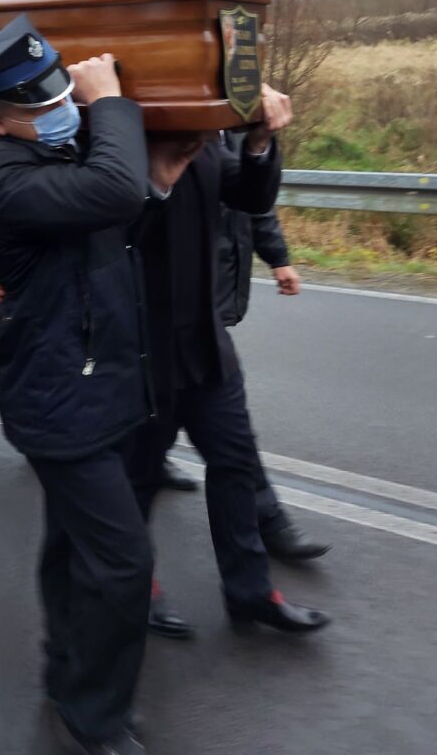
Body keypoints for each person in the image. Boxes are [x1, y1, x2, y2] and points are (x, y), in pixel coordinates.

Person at [0, 14, 153, 755]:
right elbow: (112, 190)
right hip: (57, 399)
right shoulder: (2, 177)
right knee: (123, 562)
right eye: (41, 105)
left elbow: (121, 195)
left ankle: (66, 674)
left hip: (92, 381)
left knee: (73, 547)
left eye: (61, 90)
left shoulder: (50, 154)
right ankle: (95, 717)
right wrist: (107, 102)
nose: (61, 105)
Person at [130, 91, 331, 639]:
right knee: (136, 481)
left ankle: (250, 592)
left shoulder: (210, 140)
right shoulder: (127, 141)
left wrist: (260, 141)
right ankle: (135, 589)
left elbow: (248, 195)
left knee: (236, 465)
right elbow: (115, 231)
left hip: (207, 345)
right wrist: (159, 183)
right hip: (145, 352)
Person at [160, 133, 330, 562]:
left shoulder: (230, 130)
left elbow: (254, 203)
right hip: (180, 301)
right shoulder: (168, 128)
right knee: (217, 426)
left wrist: (278, 258)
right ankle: (269, 523)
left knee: (199, 416)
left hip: (213, 297)